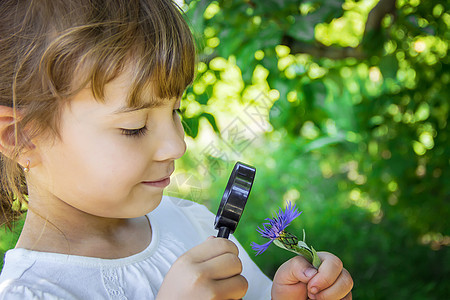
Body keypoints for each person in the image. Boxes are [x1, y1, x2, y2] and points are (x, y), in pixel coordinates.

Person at [0, 0, 353, 299]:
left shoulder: (191, 224)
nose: (177, 144)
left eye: (176, 110)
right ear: (21, 138)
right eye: (134, 127)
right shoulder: (32, 292)